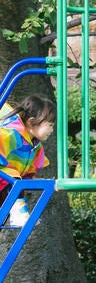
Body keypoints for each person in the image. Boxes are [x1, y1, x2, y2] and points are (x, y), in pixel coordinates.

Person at [0, 94, 56, 226]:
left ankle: (15, 215)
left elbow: (28, 170)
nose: (52, 130)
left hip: (7, 184)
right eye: (50, 125)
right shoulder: (11, 133)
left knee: (15, 187)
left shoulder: (35, 146)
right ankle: (18, 215)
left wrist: (34, 180)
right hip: (5, 178)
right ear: (31, 122)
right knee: (14, 181)